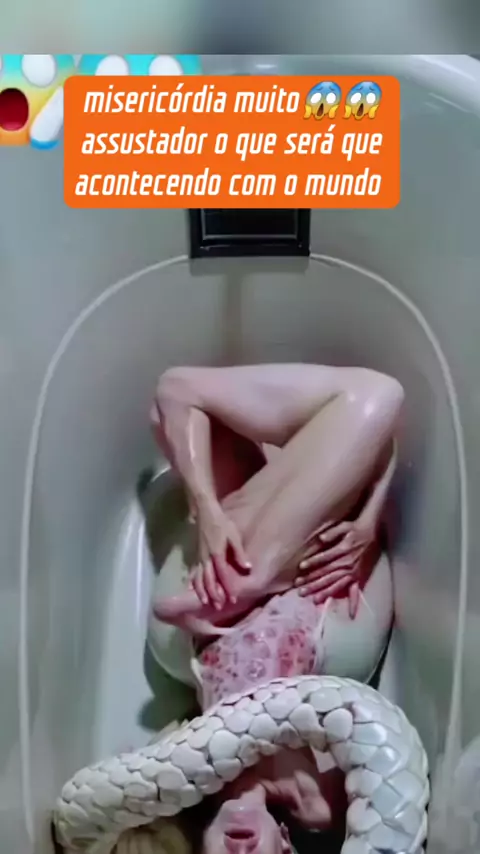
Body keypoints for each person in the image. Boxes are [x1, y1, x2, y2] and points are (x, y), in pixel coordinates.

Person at [148, 364, 403, 698]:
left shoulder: (330, 429)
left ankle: (255, 575)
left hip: (254, 539)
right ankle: (258, 574)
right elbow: (383, 439)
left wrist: (208, 511)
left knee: (164, 414)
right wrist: (369, 521)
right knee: (379, 398)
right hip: (270, 548)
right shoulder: (338, 426)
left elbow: (173, 388)